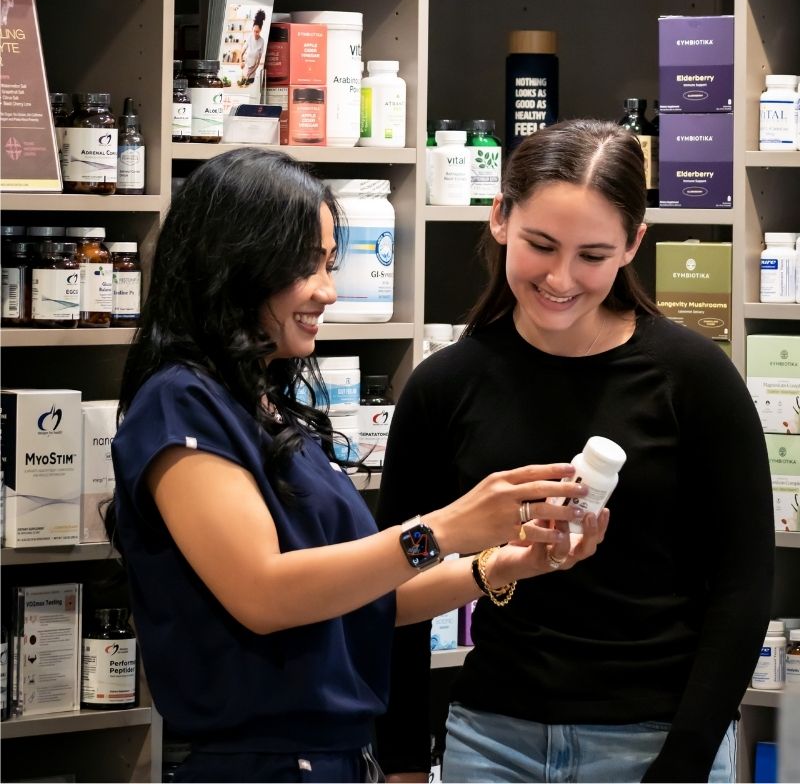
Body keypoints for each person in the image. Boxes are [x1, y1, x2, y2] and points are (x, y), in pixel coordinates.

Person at [107, 146, 607, 784]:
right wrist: (449, 527)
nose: (328, 291)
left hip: (334, 758)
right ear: (235, 265)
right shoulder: (181, 403)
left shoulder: (263, 407)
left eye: (329, 264)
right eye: (306, 267)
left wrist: (508, 562)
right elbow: (265, 593)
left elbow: (370, 593)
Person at [376, 119, 774, 784]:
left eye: (592, 254)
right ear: (501, 216)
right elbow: (392, 585)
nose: (561, 278)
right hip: (490, 741)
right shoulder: (444, 387)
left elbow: (742, 586)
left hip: (653, 738)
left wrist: (684, 758)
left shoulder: (693, 378)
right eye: (541, 244)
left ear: (632, 246)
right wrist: (404, 763)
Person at [239, 8, 266, 83]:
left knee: (249, 88)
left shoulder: (262, 41)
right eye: (254, 31)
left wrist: (250, 73)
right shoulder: (249, 37)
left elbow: (257, 63)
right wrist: (241, 62)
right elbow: (241, 54)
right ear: (252, 29)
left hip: (252, 72)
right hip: (245, 69)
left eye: (257, 32)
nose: (255, 33)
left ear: (260, 30)